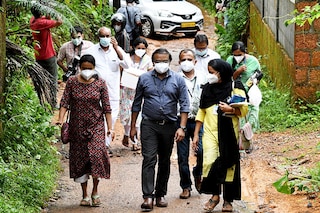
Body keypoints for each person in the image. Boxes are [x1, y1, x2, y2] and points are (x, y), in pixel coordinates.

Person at [130, 48, 190, 211]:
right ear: (153, 62)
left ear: (170, 62)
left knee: (164, 160)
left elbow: (184, 104)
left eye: (164, 61)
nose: (161, 64)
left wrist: (182, 127)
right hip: (149, 124)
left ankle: (160, 194)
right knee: (149, 158)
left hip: (169, 125)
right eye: (158, 61)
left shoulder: (178, 80)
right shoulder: (144, 79)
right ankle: (147, 196)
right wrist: (133, 126)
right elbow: (136, 104)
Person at [57, 54, 115, 207]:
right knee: (80, 159)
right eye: (84, 68)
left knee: (96, 156)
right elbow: (64, 102)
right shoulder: (72, 82)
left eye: (89, 69)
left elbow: (107, 108)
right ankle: (84, 194)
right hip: (77, 127)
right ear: (79, 68)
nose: (87, 71)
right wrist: (60, 119)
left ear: (94, 68)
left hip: (96, 126)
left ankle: (95, 190)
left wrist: (110, 128)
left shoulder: (101, 83)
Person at [192, 59, 248, 212]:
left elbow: (243, 110)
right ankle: (215, 195)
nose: (211, 75)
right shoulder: (207, 89)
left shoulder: (235, 87)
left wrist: (230, 110)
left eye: (213, 72)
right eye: (209, 72)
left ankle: (228, 200)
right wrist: (196, 134)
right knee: (209, 162)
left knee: (229, 164)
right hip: (209, 132)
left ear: (222, 72)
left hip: (229, 132)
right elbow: (201, 111)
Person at [83, 27, 130, 151]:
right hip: (96, 90)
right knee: (97, 115)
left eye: (107, 36)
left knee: (112, 117)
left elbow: (127, 65)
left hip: (113, 91)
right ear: (98, 37)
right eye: (102, 36)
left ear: (111, 37)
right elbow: (83, 67)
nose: (105, 39)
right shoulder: (91, 51)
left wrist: (117, 49)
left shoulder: (117, 50)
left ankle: (105, 144)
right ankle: (98, 141)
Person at [176, 49, 206, 199]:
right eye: (183, 59)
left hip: (198, 120)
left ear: (195, 61)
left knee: (201, 151)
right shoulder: (174, 78)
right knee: (182, 156)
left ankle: (198, 173)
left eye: (189, 59)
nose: (186, 62)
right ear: (179, 62)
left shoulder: (203, 78)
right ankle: (186, 186)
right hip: (180, 121)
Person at [119, 37, 153, 151]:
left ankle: (135, 141)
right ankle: (127, 133)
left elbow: (150, 73)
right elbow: (121, 70)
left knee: (138, 115)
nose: (141, 50)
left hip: (140, 92)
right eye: (139, 48)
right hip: (127, 90)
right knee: (126, 114)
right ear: (134, 47)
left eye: (143, 48)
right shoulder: (128, 58)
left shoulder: (147, 60)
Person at [30, 5, 63, 108]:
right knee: (53, 79)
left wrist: (48, 13)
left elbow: (47, 19)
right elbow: (60, 22)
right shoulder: (42, 23)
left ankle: (40, 101)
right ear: (41, 12)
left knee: (40, 78)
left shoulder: (33, 21)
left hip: (38, 55)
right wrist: (53, 11)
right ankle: (52, 103)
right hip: (48, 55)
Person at [226, 41, 262, 132]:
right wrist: (238, 71)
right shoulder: (230, 61)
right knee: (238, 115)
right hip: (236, 93)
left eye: (240, 55)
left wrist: (255, 80)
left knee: (252, 113)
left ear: (245, 52)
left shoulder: (253, 61)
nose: (237, 57)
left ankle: (250, 133)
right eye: (235, 55)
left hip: (249, 92)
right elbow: (228, 79)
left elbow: (258, 75)